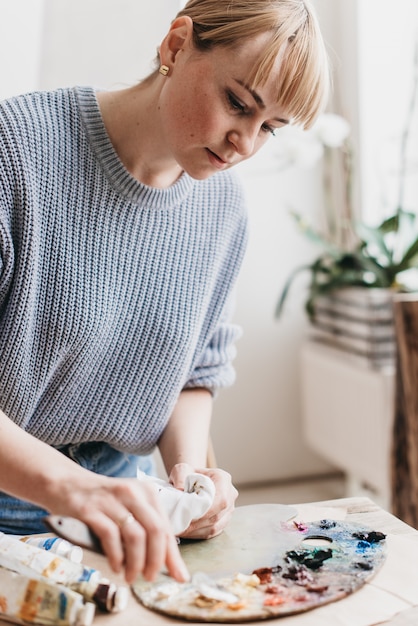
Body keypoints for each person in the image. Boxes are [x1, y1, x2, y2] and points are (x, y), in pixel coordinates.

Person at [0, 0, 329, 584]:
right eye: (238, 104)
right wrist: (75, 489)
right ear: (176, 45)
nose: (245, 145)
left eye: (269, 128)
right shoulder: (15, 153)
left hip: (128, 512)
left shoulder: (223, 209)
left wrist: (190, 476)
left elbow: (195, 369)